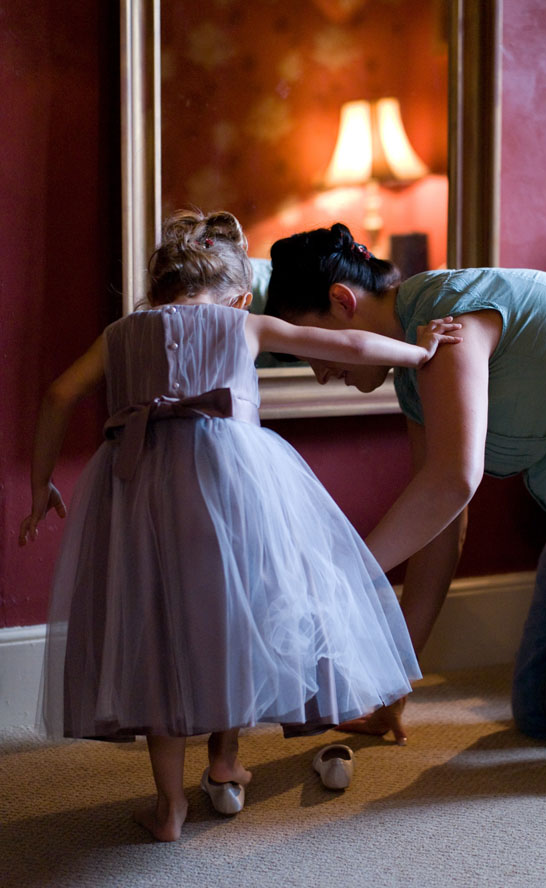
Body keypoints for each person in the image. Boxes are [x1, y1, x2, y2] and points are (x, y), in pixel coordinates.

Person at [19, 210, 462, 842]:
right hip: (235, 493)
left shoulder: (120, 333)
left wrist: (42, 484)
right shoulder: (244, 324)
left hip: (139, 495)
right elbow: (352, 345)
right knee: (240, 621)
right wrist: (421, 351)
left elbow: (59, 395)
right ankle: (225, 759)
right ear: (240, 295)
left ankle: (169, 807)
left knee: (161, 639)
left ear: (155, 290)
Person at [264, 221, 546, 780]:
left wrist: (343, 578)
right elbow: (443, 523)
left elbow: (455, 479)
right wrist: (392, 691)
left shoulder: (449, 316)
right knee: (538, 713)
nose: (319, 372)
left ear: (342, 302)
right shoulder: (414, 365)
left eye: (312, 345)